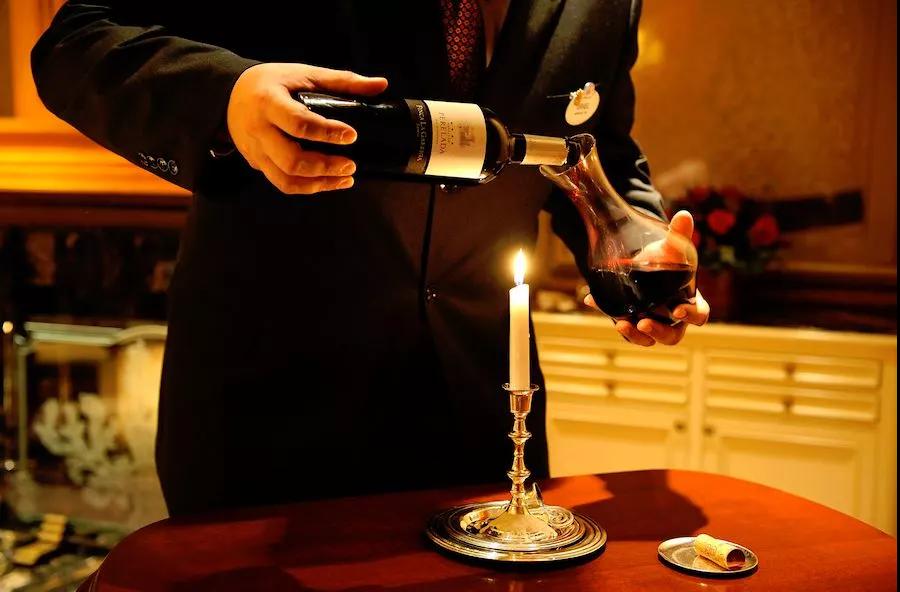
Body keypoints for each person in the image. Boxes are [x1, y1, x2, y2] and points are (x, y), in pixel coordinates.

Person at [31, 0, 710, 516]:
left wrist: (639, 241)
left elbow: (596, 150)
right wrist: (226, 99)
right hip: (267, 427)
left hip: (483, 423)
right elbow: (75, 43)